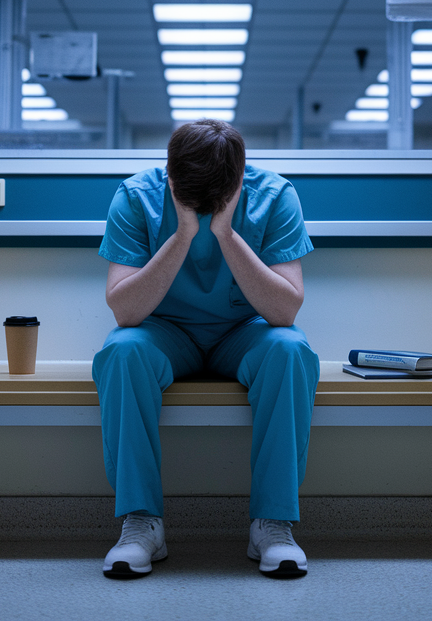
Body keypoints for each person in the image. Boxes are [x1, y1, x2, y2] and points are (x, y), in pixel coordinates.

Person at [92, 119, 320, 579]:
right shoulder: (134, 197)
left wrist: (224, 233)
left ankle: (272, 525)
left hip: (244, 331)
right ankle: (140, 524)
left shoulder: (277, 196)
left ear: (238, 181)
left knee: (290, 350)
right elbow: (125, 311)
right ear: (171, 177)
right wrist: (181, 234)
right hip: (165, 330)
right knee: (122, 351)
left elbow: (285, 311)